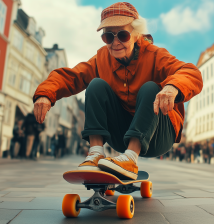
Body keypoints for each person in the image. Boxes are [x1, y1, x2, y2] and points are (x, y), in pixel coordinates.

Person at [32, 2, 203, 180]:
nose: (115, 43)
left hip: (158, 135)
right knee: (95, 84)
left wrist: (172, 86)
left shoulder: (155, 55)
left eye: (122, 35)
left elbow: (191, 72)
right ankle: (95, 153)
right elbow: (72, 76)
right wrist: (45, 93)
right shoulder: (101, 59)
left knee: (151, 88)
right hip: (121, 135)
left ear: (137, 34)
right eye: (108, 36)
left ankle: (130, 158)